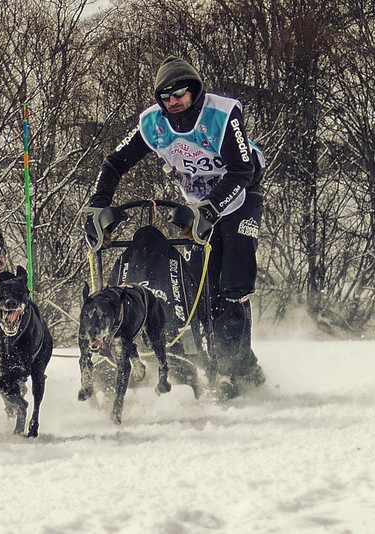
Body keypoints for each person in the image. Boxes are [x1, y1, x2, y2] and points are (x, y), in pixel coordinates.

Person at [86, 55, 266, 399]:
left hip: (240, 196)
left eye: (180, 93)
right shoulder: (153, 124)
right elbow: (114, 162)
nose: (173, 102)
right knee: (202, 286)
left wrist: (211, 208)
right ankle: (228, 363)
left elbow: (242, 170)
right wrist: (98, 205)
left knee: (232, 285)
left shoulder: (222, 114)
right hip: (202, 205)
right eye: (166, 97)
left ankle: (233, 371)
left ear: (194, 91)